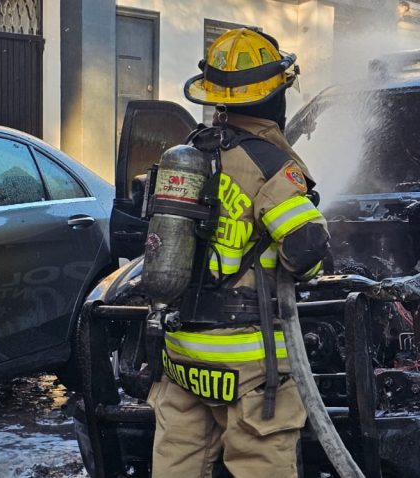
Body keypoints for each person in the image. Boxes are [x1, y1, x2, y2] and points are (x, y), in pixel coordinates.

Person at [147, 28, 329, 476]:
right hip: (247, 361)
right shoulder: (271, 166)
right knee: (259, 460)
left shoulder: (190, 154)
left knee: (177, 464)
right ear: (274, 97)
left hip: (183, 354)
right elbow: (306, 248)